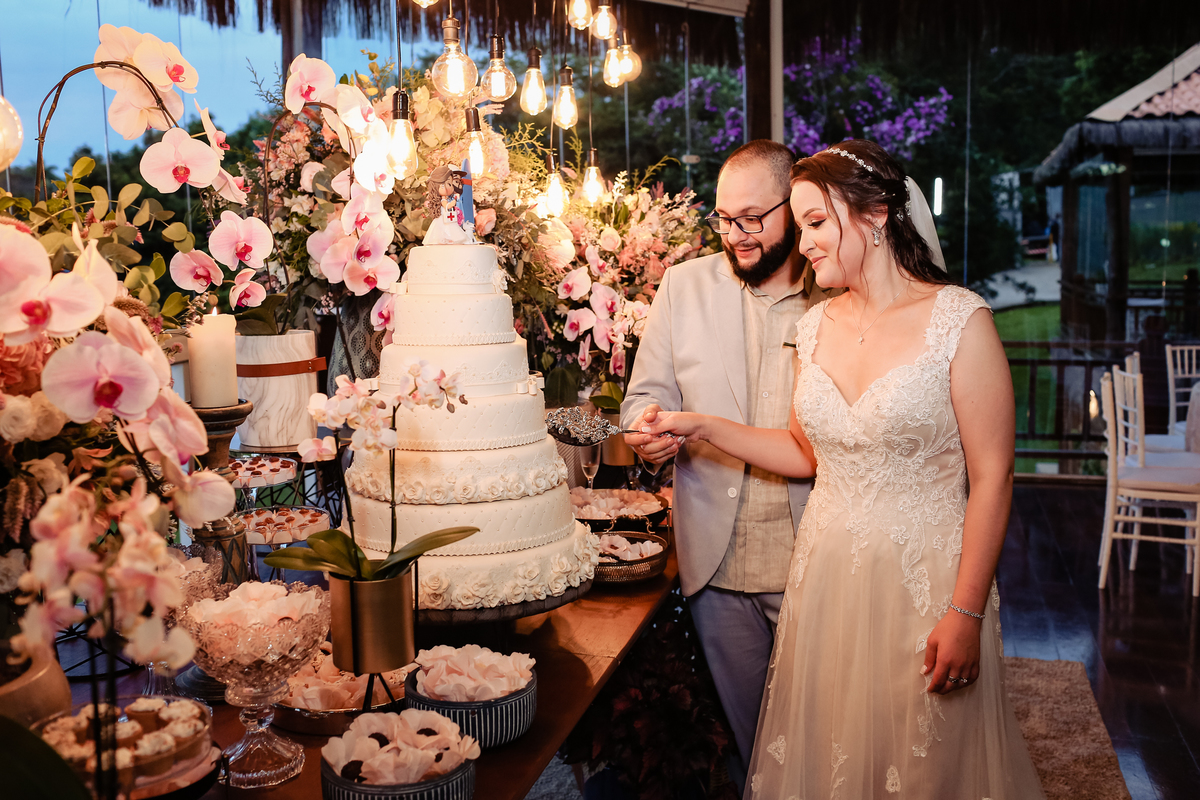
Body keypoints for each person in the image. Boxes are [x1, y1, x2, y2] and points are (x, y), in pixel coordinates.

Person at [640, 140, 1045, 799]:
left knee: (923, 763)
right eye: (800, 227)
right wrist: (702, 425)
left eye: (817, 223)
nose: (805, 244)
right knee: (832, 761)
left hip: (923, 583)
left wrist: (965, 612)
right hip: (825, 581)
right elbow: (804, 453)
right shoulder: (818, 324)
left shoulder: (960, 322)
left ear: (878, 214)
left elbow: (994, 477)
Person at [621, 139, 837, 793]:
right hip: (717, 565)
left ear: (794, 210)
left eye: (753, 218)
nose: (737, 235)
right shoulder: (684, 287)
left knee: (829, 743)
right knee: (754, 745)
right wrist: (646, 431)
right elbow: (644, 396)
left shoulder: (835, 288)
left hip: (819, 559)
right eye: (724, 219)